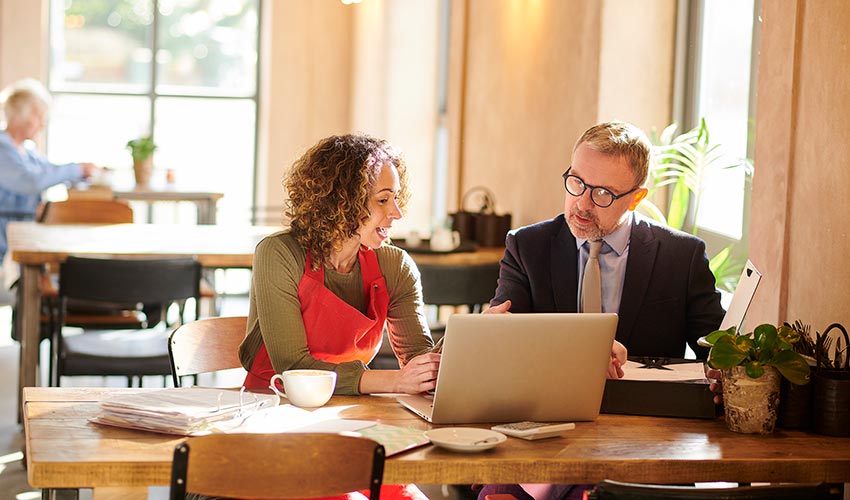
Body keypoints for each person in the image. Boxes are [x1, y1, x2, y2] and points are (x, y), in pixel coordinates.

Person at [480, 121, 726, 500]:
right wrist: (492, 332)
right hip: (543, 433)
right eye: (576, 182)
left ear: (637, 197)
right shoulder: (527, 245)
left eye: (603, 194)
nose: (581, 203)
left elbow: (717, 354)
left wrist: (723, 373)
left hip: (642, 440)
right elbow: (503, 335)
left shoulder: (682, 256)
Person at [235, 134, 439, 500]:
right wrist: (394, 382)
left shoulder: (395, 266)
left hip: (353, 421)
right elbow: (293, 368)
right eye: (382, 200)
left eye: (396, 198)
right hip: (276, 418)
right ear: (341, 202)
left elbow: (420, 365)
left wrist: (473, 336)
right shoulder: (279, 254)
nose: (397, 213)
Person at [0, 78, 99, 262]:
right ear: (18, 115)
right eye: (38, 116)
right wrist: (75, 169)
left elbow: (49, 171)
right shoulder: (2, 150)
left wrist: (81, 173)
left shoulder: (28, 152)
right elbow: (31, 181)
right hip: (5, 245)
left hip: (24, 236)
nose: (42, 124)